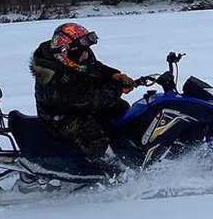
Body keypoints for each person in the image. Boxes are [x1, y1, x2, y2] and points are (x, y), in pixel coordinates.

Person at [29, 22, 139, 171]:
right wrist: (117, 88)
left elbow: (94, 66)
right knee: (94, 138)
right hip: (61, 116)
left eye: (86, 50)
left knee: (120, 109)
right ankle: (113, 170)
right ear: (65, 53)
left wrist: (114, 75)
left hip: (77, 104)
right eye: (81, 52)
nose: (86, 54)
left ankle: (129, 146)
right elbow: (90, 100)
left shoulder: (76, 56)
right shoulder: (54, 79)